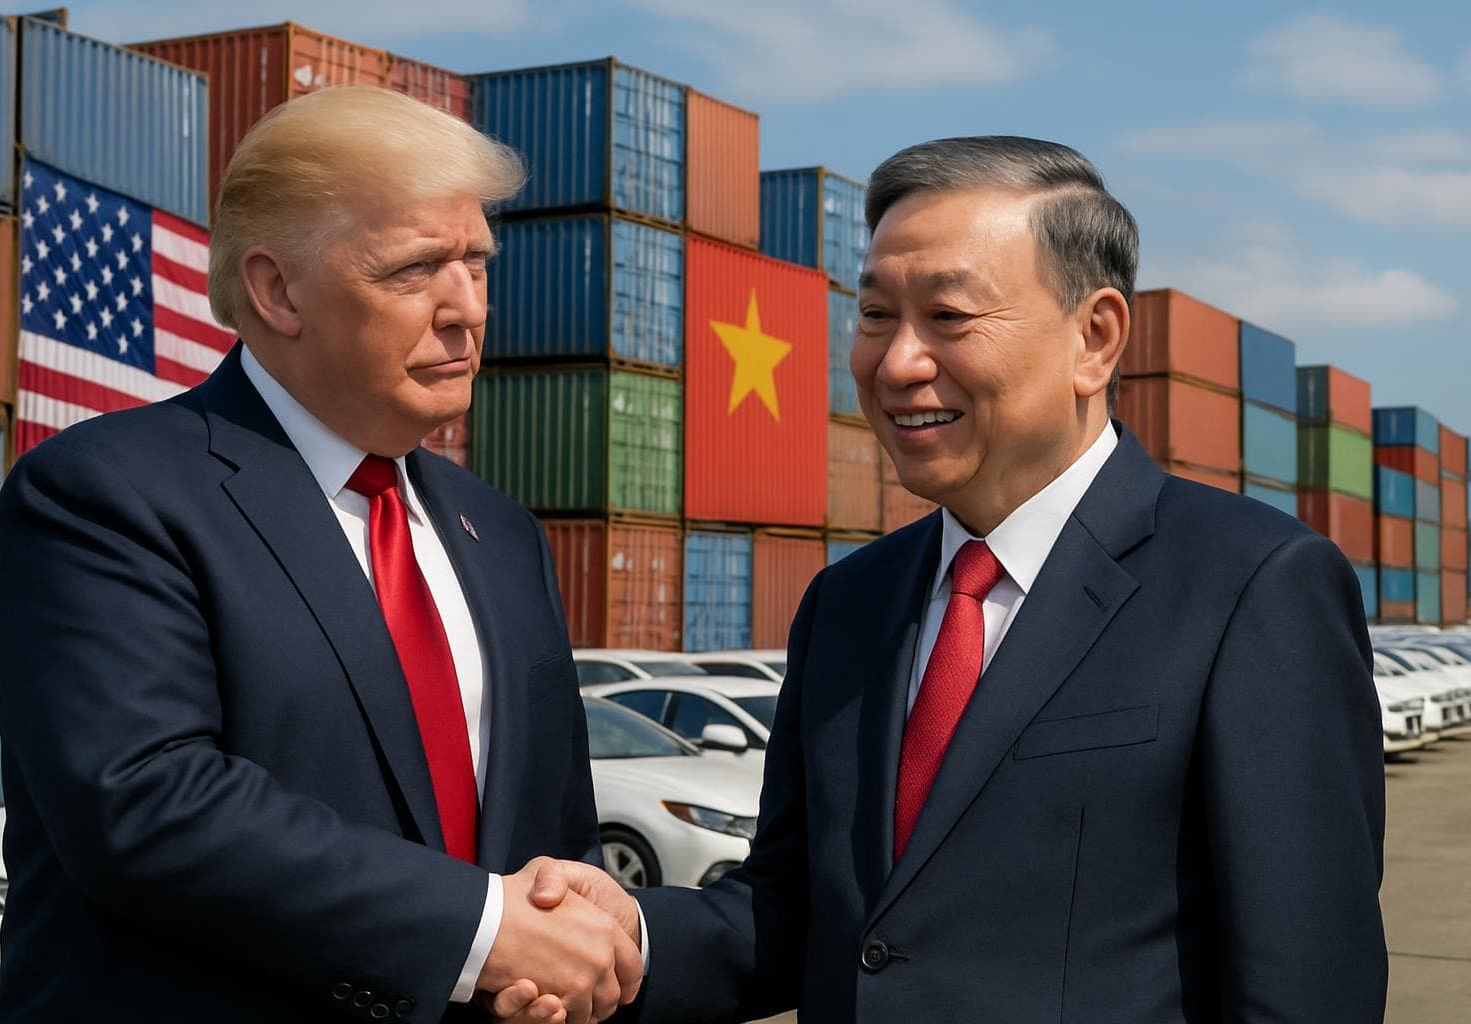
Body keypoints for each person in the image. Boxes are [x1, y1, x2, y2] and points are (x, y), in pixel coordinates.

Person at [510, 136, 1388, 1022]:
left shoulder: (1253, 587)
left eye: (949, 316)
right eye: (875, 315)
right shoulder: (847, 603)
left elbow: (1305, 982)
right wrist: (626, 937)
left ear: (1095, 338)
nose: (897, 363)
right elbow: (802, 911)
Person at [0, 86, 639, 1024]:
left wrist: (564, 941)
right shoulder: (103, 494)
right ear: (277, 291)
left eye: (476, 264)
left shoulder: (503, 535)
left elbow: (552, 832)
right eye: (416, 270)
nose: (466, 309)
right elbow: (145, 804)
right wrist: (481, 931)